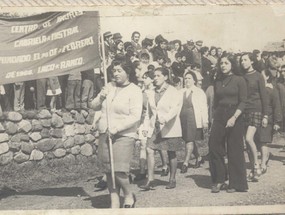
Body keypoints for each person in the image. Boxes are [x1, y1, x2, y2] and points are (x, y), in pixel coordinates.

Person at [90, 60, 143, 208]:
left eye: (119, 70)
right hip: (105, 132)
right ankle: (114, 200)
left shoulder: (135, 90)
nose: (116, 73)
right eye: (114, 70)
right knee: (108, 170)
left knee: (119, 170)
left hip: (124, 134)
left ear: (128, 72)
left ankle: (128, 194)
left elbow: (135, 116)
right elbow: (93, 106)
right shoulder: (109, 86)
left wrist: (117, 128)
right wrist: (101, 96)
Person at [208, 53, 248, 193]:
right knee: (213, 145)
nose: (223, 65)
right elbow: (216, 102)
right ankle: (220, 179)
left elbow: (243, 101)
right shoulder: (218, 80)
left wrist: (234, 117)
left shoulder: (239, 80)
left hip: (235, 115)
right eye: (221, 63)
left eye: (226, 63)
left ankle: (236, 183)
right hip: (219, 115)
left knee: (234, 149)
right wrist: (213, 118)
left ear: (232, 64)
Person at [140, 67, 183, 190]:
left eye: (158, 76)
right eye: (154, 76)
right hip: (155, 127)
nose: (155, 78)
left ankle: (172, 179)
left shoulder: (173, 91)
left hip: (170, 126)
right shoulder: (151, 92)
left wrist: (166, 118)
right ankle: (151, 179)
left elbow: (176, 108)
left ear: (165, 77)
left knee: (171, 152)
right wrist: (147, 127)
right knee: (149, 149)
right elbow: (149, 112)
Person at [240, 53, 269, 182]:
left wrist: (266, 115)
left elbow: (264, 96)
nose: (243, 62)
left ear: (251, 61)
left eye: (245, 60)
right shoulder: (241, 77)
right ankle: (253, 170)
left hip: (256, 110)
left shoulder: (258, 76)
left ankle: (256, 165)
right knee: (247, 142)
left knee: (248, 138)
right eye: (241, 60)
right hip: (244, 111)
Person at [255, 68, 282, 174]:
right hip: (256, 117)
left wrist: (277, 122)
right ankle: (265, 157)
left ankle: (263, 164)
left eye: (262, 76)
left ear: (267, 77)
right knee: (257, 141)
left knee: (263, 141)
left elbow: (277, 106)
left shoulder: (272, 90)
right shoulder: (257, 89)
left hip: (268, 119)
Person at [180, 71, 208, 173]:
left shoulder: (199, 92)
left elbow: (203, 107)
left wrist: (205, 121)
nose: (187, 80)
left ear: (194, 80)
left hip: (193, 119)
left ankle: (185, 162)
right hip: (182, 119)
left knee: (189, 140)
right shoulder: (181, 91)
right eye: (185, 78)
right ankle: (199, 157)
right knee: (188, 139)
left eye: (189, 78)